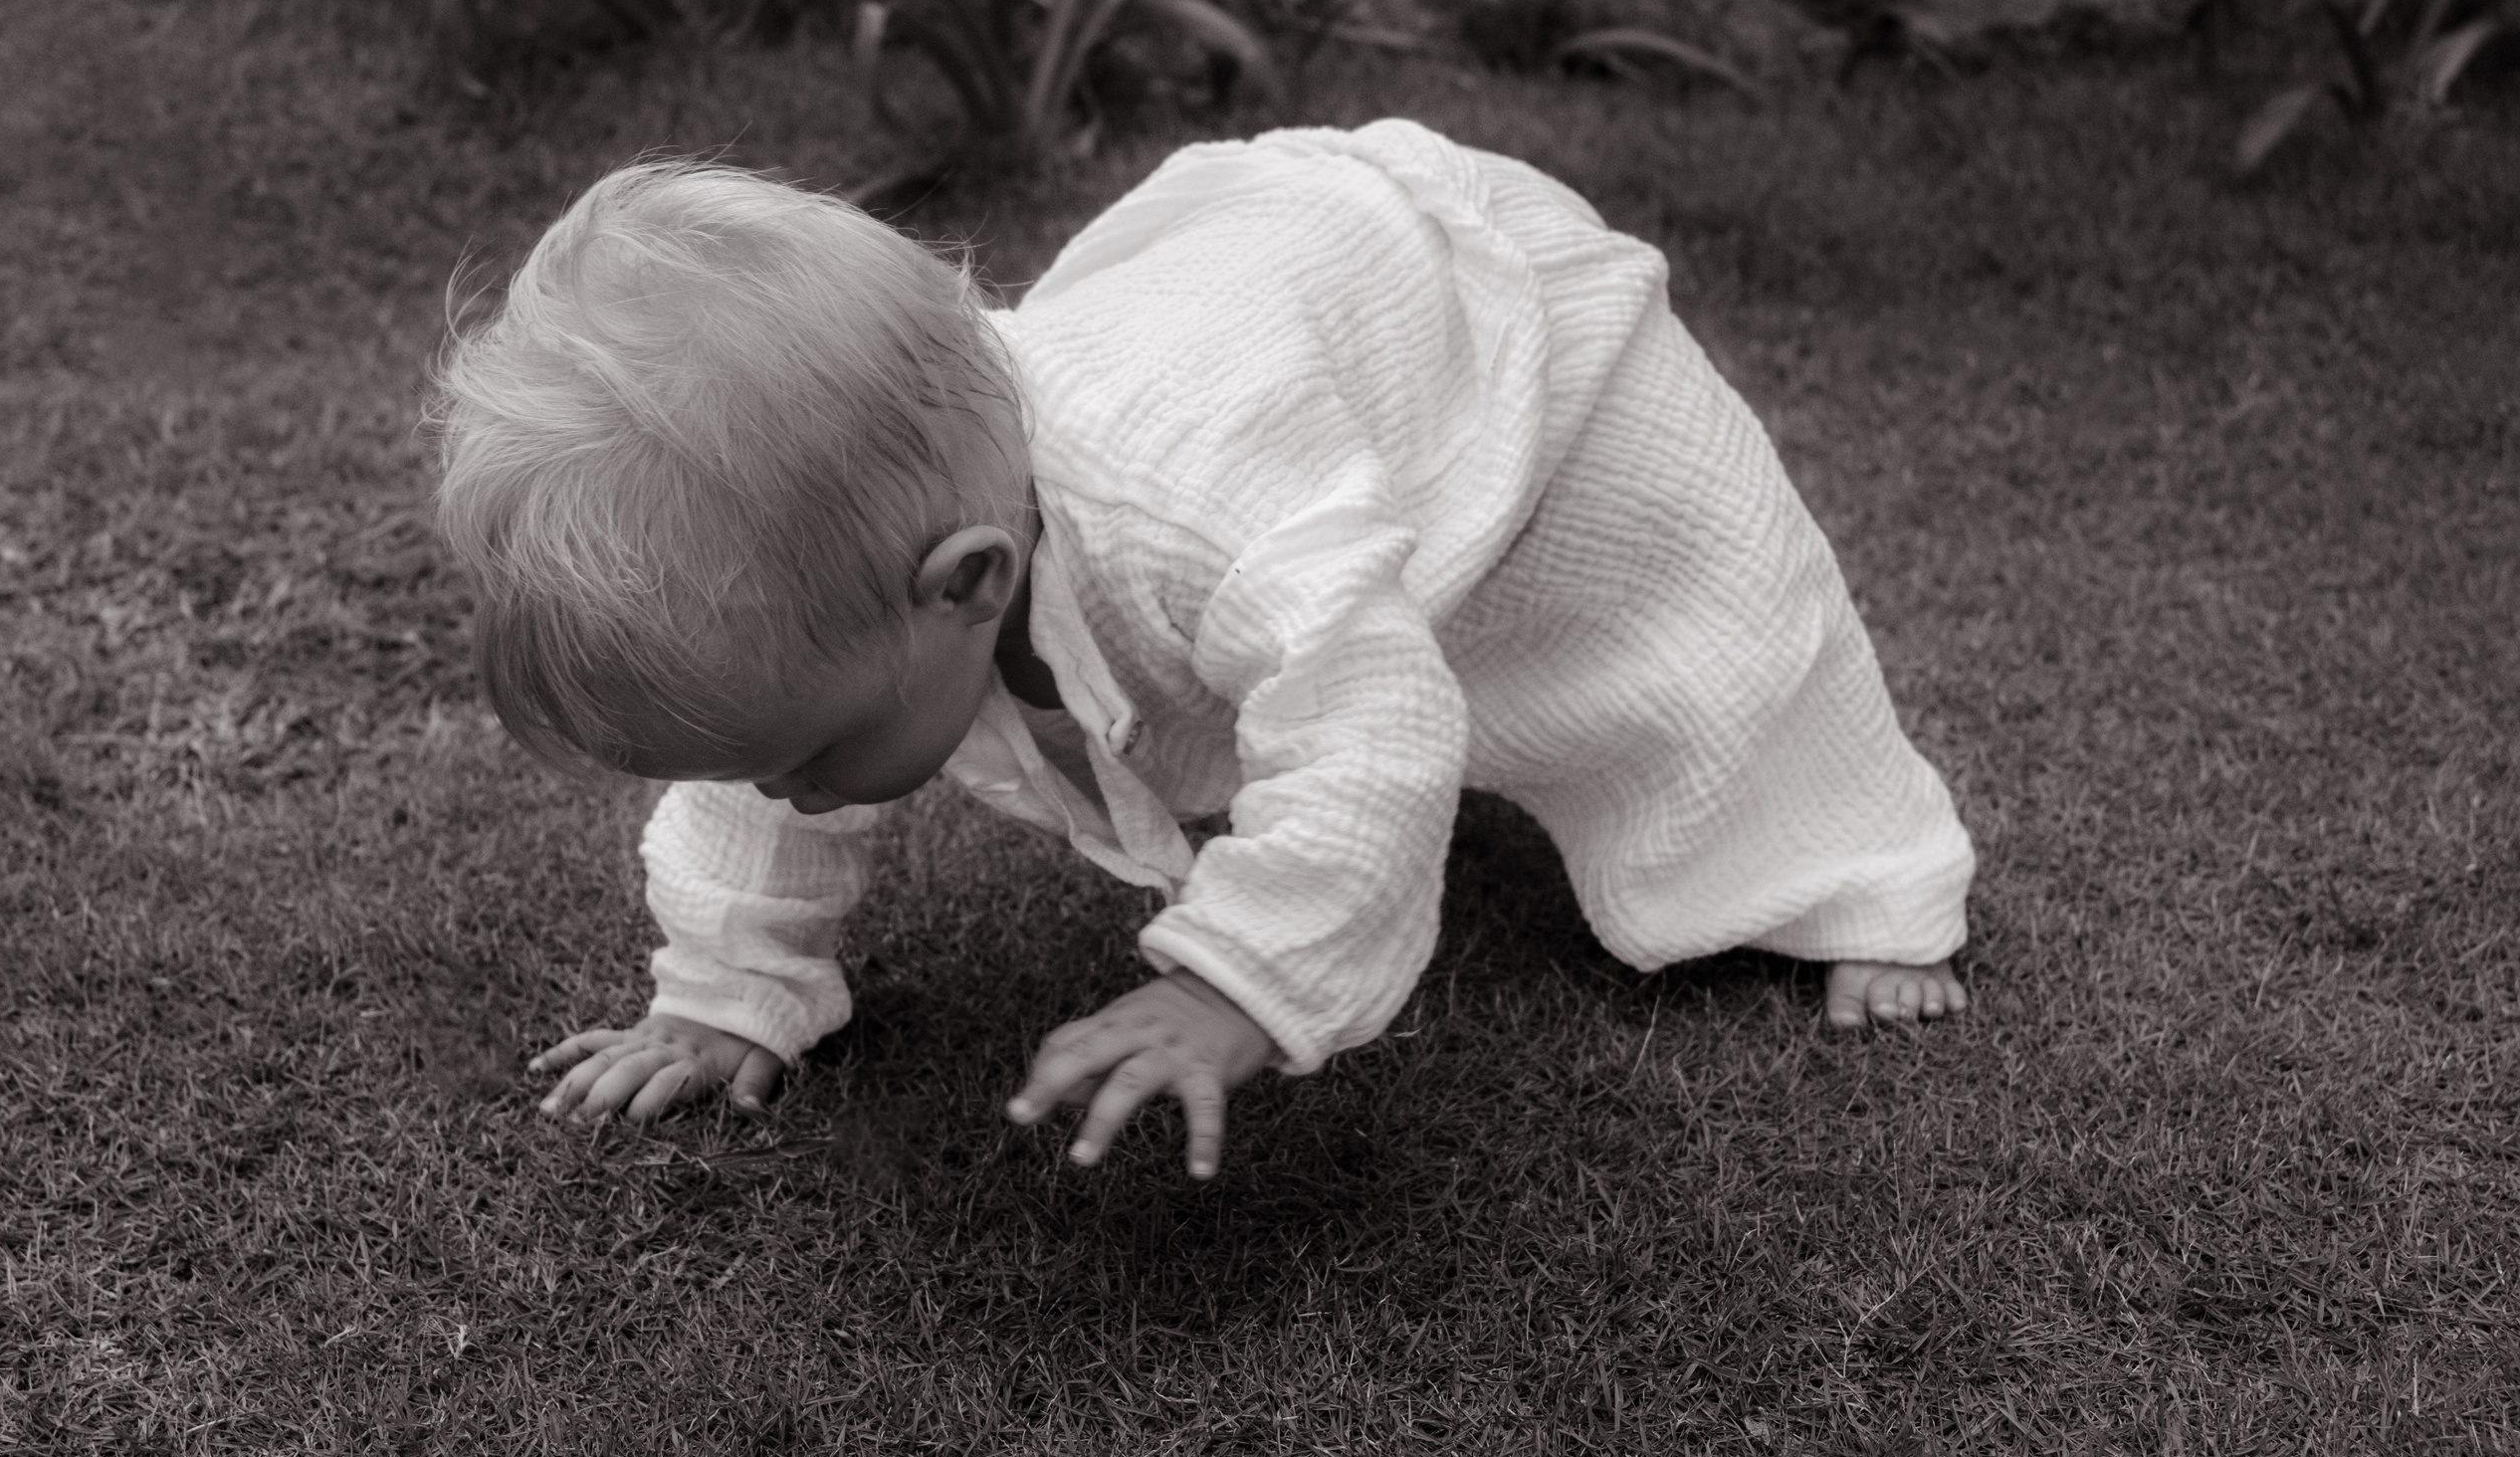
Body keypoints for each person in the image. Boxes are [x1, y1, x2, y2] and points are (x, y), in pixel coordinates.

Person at [431, 119, 1975, 1178]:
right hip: (1262, 284)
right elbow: (749, 781)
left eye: (818, 756)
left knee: (1691, 623)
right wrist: (727, 989)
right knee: (1264, 653)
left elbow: (1372, 722)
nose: (799, 794)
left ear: (968, 583)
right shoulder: (856, 600)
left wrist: (1239, 983)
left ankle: (1855, 874)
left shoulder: (1203, 515)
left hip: (1488, 325)